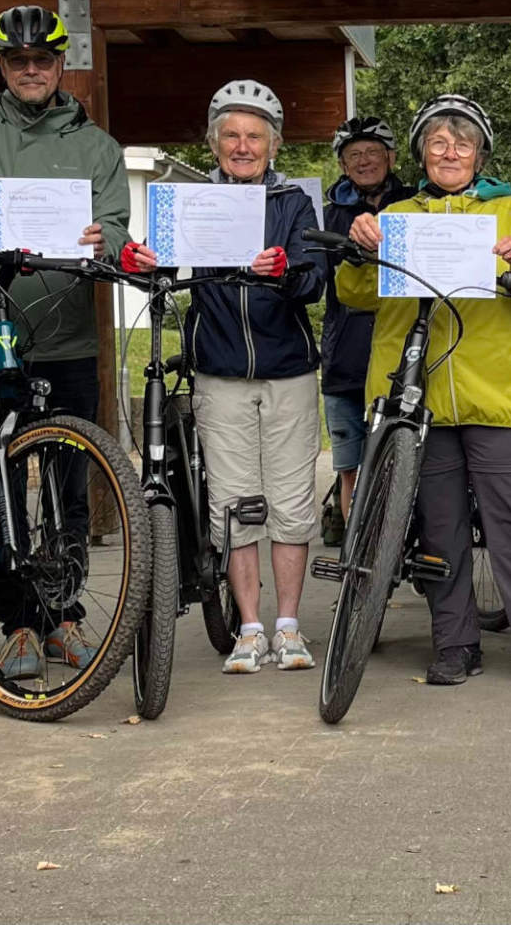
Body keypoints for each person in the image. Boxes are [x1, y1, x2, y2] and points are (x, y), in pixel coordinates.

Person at [338, 95, 511, 690]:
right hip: (416, 398)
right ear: (421, 153)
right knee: (438, 527)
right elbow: (354, 294)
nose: (450, 153)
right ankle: (454, 642)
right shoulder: (397, 215)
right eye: (438, 143)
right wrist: (362, 249)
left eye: (463, 144)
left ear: (480, 155)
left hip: (498, 396)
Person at [0, 5, 129, 679]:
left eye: (42, 60)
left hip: (68, 336)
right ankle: (16, 626)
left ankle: (64, 616)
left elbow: (118, 226)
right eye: (17, 60)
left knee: (69, 483)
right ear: (2, 65)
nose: (31, 70)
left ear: (61, 64)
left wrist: (107, 237)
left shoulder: (98, 147)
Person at [123, 81, 325, 674]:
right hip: (218, 369)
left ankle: (289, 626)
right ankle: (250, 628)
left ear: (274, 144)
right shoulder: (189, 200)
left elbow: (316, 280)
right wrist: (140, 262)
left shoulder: (292, 202)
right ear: (214, 144)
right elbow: (158, 271)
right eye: (231, 136)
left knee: (290, 499)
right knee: (235, 502)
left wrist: (286, 272)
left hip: (288, 369)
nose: (242, 146)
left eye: (254, 136)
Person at [319, 116, 410, 523]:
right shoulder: (328, 215)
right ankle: (355, 546)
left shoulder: (414, 204)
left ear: (391, 158)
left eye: (372, 152)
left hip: (403, 352)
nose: (364, 161)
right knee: (351, 468)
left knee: (407, 462)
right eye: (354, 154)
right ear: (342, 164)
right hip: (346, 358)